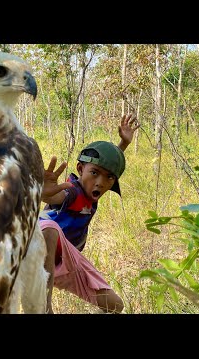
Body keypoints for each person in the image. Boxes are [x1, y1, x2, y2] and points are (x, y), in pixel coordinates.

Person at [40, 113, 140, 314]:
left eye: (109, 178)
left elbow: (105, 165)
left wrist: (123, 144)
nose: (100, 183)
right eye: (94, 173)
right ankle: (43, 307)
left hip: (69, 258)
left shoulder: (91, 191)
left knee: (115, 306)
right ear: (80, 169)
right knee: (49, 229)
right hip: (39, 249)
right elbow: (56, 197)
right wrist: (42, 192)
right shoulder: (73, 191)